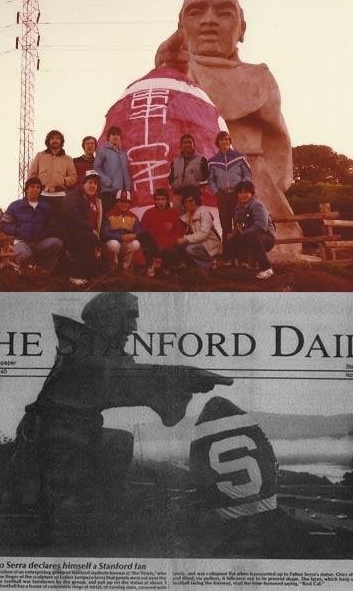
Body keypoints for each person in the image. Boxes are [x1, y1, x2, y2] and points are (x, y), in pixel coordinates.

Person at [12, 293, 233, 513]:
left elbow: (131, 375)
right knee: (106, 459)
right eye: (129, 317)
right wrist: (188, 376)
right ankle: (80, 505)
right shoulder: (88, 357)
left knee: (120, 441)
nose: (134, 327)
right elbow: (131, 376)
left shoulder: (91, 349)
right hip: (56, 443)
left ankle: (103, 502)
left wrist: (186, 377)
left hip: (72, 436)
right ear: (108, 317)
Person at [155, 0, 300, 261]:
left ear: (241, 27)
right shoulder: (176, 73)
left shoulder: (260, 78)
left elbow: (278, 142)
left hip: (250, 180)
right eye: (196, 12)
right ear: (181, 27)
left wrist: (272, 182)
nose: (209, 21)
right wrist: (164, 71)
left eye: (223, 12)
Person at [0, 177, 63, 274]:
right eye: (32, 187)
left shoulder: (46, 207)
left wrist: (44, 233)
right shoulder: (15, 206)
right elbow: (4, 224)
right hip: (22, 241)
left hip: (40, 242)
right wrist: (17, 231)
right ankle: (23, 271)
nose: (35, 189)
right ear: (26, 189)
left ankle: (44, 270)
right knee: (24, 255)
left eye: (38, 187)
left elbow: (53, 226)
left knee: (56, 243)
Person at [223, 181, 276, 279]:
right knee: (232, 240)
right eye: (240, 192)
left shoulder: (257, 205)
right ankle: (244, 267)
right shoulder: (238, 208)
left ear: (252, 193)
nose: (243, 195)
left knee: (251, 236)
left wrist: (243, 233)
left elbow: (261, 226)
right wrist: (235, 233)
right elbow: (238, 225)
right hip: (249, 236)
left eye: (246, 192)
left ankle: (267, 268)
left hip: (266, 237)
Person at [208, 130, 252, 245]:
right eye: (222, 140)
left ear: (230, 141)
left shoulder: (240, 157)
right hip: (222, 196)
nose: (225, 142)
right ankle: (228, 255)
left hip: (237, 195)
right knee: (225, 225)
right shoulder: (212, 161)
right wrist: (216, 192)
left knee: (240, 223)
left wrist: (243, 189)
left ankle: (241, 256)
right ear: (218, 143)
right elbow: (210, 179)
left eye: (227, 139)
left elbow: (247, 174)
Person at [63, 169, 103, 286]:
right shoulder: (74, 196)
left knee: (96, 269)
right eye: (90, 182)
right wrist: (91, 229)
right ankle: (75, 275)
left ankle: (84, 272)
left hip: (85, 235)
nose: (93, 186)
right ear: (83, 184)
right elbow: (71, 216)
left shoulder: (96, 201)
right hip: (69, 235)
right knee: (88, 237)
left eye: (95, 183)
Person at [27, 129, 77, 219]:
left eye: (57, 138)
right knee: (42, 221)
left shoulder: (67, 159)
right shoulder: (40, 155)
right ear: (48, 141)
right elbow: (32, 175)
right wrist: (33, 191)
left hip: (60, 195)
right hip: (42, 194)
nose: (55, 140)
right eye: (52, 138)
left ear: (61, 141)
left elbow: (73, 177)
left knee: (59, 222)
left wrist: (63, 180)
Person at [170, 185, 222, 270]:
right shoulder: (186, 216)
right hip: (197, 242)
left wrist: (185, 239)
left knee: (190, 249)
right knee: (178, 246)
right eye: (186, 202)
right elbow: (177, 225)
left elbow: (203, 235)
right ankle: (194, 265)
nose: (188, 204)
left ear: (196, 200)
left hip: (209, 243)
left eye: (191, 201)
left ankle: (212, 263)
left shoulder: (203, 212)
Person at [140, 188, 185, 276]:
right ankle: (156, 265)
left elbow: (180, 232)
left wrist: (170, 242)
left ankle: (165, 266)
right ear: (154, 201)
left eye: (163, 199)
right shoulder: (148, 213)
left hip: (169, 246)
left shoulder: (173, 213)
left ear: (167, 200)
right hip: (154, 246)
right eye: (158, 199)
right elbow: (143, 232)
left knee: (174, 252)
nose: (161, 202)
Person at [101, 190, 142, 273]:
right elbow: (104, 233)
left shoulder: (133, 216)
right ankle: (113, 268)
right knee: (113, 245)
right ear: (116, 202)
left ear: (130, 203)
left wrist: (134, 235)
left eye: (126, 202)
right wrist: (120, 237)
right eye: (121, 201)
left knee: (135, 244)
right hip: (111, 246)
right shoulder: (109, 215)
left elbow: (139, 230)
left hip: (123, 246)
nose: (124, 204)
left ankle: (125, 268)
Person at [94, 126, 132, 214]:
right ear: (108, 137)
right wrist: (107, 181)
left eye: (118, 135)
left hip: (121, 193)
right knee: (108, 217)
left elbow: (126, 172)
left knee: (119, 218)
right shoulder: (103, 150)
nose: (115, 136)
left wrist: (128, 188)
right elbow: (96, 168)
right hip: (108, 192)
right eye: (113, 134)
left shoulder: (123, 154)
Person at [168, 134, 208, 209]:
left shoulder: (202, 160)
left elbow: (207, 178)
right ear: (181, 145)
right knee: (178, 218)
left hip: (194, 195)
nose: (187, 144)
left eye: (189, 142)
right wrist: (173, 185)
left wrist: (200, 190)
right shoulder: (175, 161)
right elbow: (170, 178)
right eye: (185, 142)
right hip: (178, 195)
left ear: (193, 145)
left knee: (193, 219)